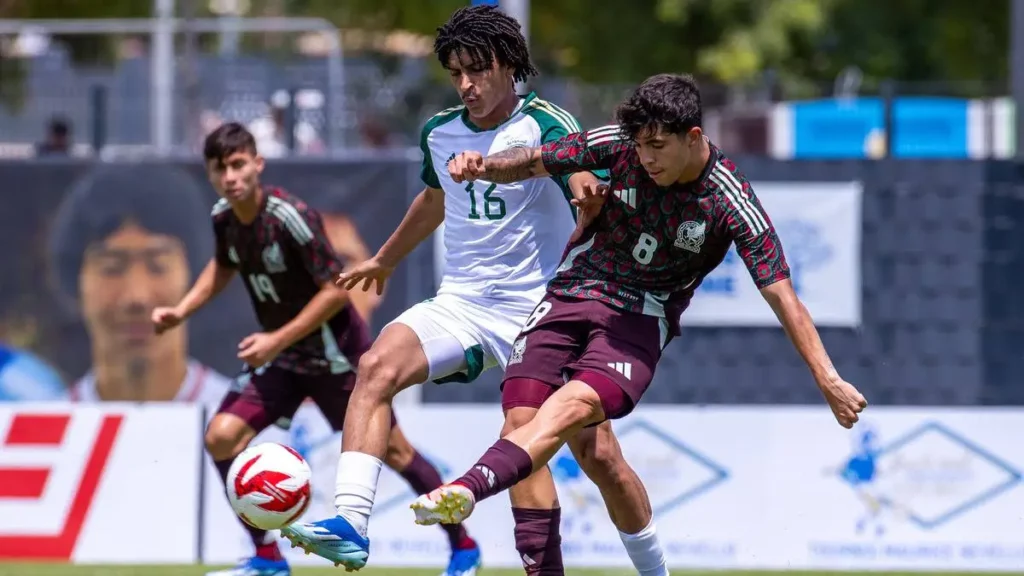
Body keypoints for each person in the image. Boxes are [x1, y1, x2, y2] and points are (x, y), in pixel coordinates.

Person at [281, 7, 669, 576]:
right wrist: (384, 260)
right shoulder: (439, 132)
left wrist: (588, 196)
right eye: (456, 72)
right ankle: (350, 525)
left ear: (509, 66)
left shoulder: (545, 123)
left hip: (541, 310)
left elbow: (581, 178)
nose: (466, 84)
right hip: (461, 304)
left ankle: (654, 570)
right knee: (375, 367)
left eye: (478, 70)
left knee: (594, 454)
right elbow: (436, 200)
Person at [412, 73, 869, 534]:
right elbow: (534, 159)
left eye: (657, 146)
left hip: (641, 316)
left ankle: (468, 489)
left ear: (693, 138)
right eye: (640, 145)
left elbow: (782, 296)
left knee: (571, 410)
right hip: (573, 290)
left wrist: (827, 379)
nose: (645, 157)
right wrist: (485, 165)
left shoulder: (730, 199)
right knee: (525, 419)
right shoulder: (621, 143)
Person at [152, 122, 480, 576]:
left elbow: (334, 291)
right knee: (221, 437)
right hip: (285, 360)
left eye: (238, 165)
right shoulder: (224, 217)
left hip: (335, 360)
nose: (230, 177)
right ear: (210, 174)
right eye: (219, 168)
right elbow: (224, 264)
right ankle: (268, 560)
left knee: (398, 453)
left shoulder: (290, 216)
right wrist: (182, 310)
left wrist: (273, 340)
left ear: (257, 164)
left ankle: (463, 545)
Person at [48, 164, 233, 404]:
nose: (137, 297)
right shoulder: (33, 436)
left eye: (158, 266)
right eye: (111, 268)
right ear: (76, 280)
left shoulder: (261, 431)